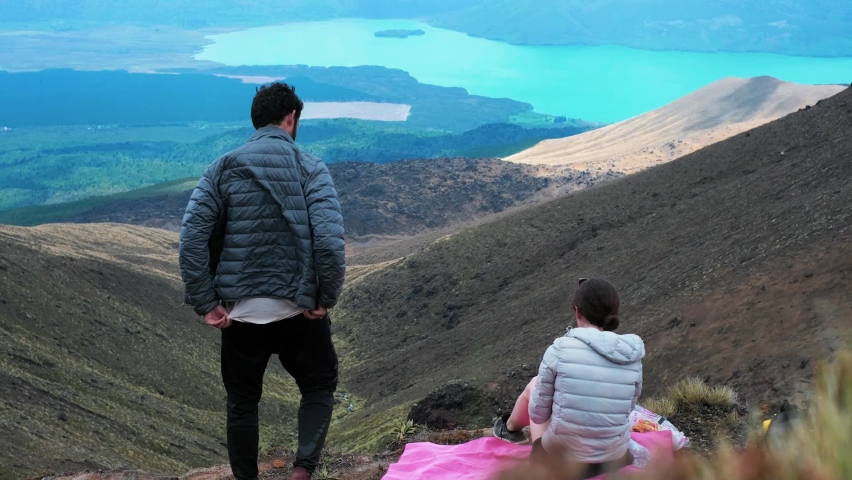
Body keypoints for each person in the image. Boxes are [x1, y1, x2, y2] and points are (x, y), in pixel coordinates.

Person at [179, 82, 346, 480]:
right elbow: (328, 242)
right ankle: (302, 472)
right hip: (299, 311)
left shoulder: (222, 168)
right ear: (291, 119)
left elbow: (191, 239)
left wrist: (207, 301)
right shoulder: (311, 168)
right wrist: (325, 297)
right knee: (319, 386)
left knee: (242, 401)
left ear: (256, 121)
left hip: (241, 315)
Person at [493, 278, 644, 479]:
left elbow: (538, 414)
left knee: (535, 385)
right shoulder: (632, 355)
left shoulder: (560, 349)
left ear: (577, 311)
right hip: (615, 460)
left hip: (562, 465)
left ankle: (509, 429)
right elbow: (629, 406)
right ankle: (510, 429)